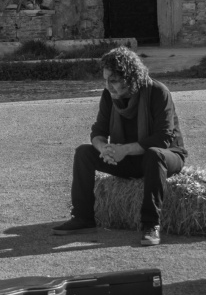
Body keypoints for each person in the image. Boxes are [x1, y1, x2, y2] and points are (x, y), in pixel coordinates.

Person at [52, 46, 187, 246]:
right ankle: (83, 218)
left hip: (166, 158)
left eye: (113, 81)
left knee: (154, 154)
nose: (108, 86)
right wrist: (104, 149)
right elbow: (98, 131)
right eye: (105, 80)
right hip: (129, 159)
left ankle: (151, 224)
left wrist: (124, 150)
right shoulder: (109, 96)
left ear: (131, 78)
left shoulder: (158, 92)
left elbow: (163, 139)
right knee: (83, 153)